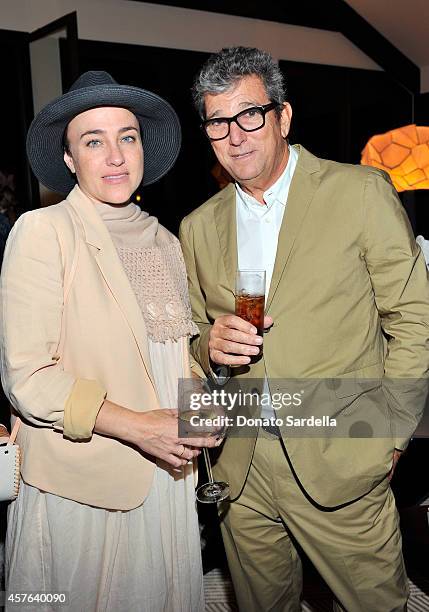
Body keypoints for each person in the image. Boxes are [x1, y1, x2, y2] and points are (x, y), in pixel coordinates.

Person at [179, 47, 429, 612]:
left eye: (250, 115)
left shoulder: (359, 192)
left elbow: (414, 316)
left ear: (283, 117)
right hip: (240, 467)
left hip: (341, 450)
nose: (235, 135)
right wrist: (208, 345)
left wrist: (391, 433)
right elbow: (192, 341)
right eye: (218, 122)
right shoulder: (196, 226)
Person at [0, 70, 219, 611]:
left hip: (167, 479)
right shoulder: (42, 231)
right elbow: (28, 377)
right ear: (71, 160)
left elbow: (172, 357)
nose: (115, 155)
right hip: (85, 480)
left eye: (127, 137)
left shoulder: (167, 240)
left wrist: (201, 413)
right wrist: (140, 427)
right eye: (93, 141)